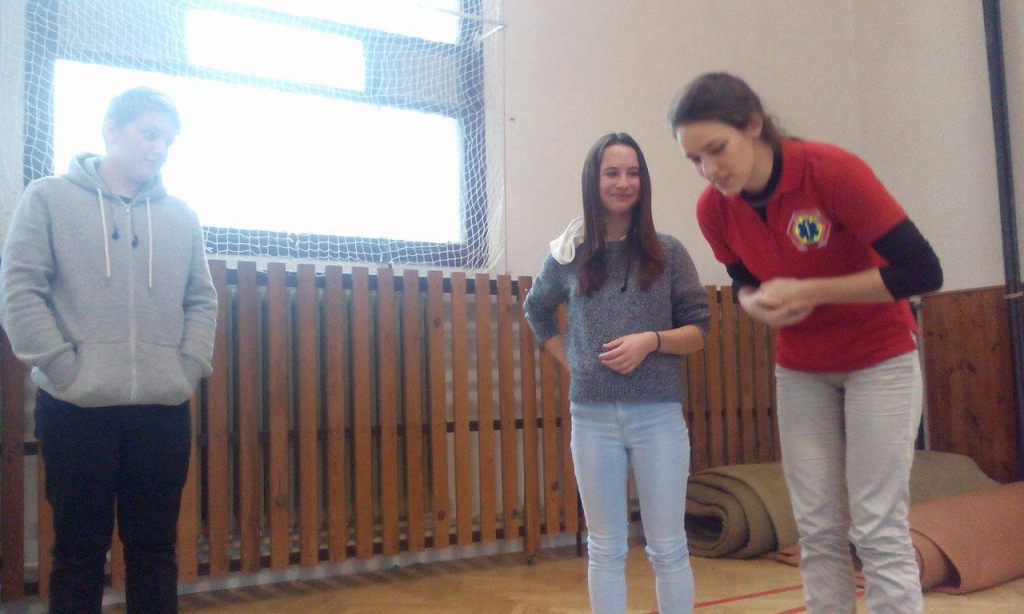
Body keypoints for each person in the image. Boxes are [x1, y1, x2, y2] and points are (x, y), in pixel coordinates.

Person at [669, 72, 943, 614]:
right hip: (801, 369)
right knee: (817, 528)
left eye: (717, 149)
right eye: (695, 159)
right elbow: (744, 279)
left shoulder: (831, 171)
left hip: (879, 358)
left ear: (753, 125)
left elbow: (922, 271)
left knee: (877, 526)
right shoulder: (713, 209)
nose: (710, 169)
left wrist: (811, 291)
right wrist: (751, 302)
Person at [0, 87, 218, 614]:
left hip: (163, 409)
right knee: (78, 551)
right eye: (150, 134)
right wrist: (63, 368)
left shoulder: (181, 215)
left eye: (168, 140)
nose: (160, 148)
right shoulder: (48, 198)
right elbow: (20, 290)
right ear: (111, 129)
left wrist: (186, 369)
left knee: (155, 549)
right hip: (76, 408)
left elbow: (201, 298)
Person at [524, 132, 709, 614]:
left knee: (668, 547)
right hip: (592, 420)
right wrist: (575, 361)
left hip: (658, 418)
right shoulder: (569, 254)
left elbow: (699, 331)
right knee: (605, 548)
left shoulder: (669, 252)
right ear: (595, 181)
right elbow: (536, 310)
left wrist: (651, 341)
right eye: (612, 172)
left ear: (643, 182)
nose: (623, 182)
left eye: (633, 173)